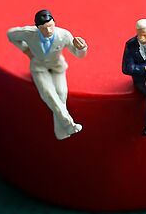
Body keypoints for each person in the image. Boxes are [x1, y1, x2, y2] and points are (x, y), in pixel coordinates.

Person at [7, 9, 88, 140]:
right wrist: (25, 49)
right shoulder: (29, 33)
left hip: (57, 66)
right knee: (48, 93)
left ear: (54, 23)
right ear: (37, 27)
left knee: (62, 93)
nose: (49, 31)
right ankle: (69, 125)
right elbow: (10, 35)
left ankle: (61, 132)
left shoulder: (64, 35)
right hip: (39, 66)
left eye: (51, 26)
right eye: (44, 28)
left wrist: (82, 48)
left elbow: (78, 55)